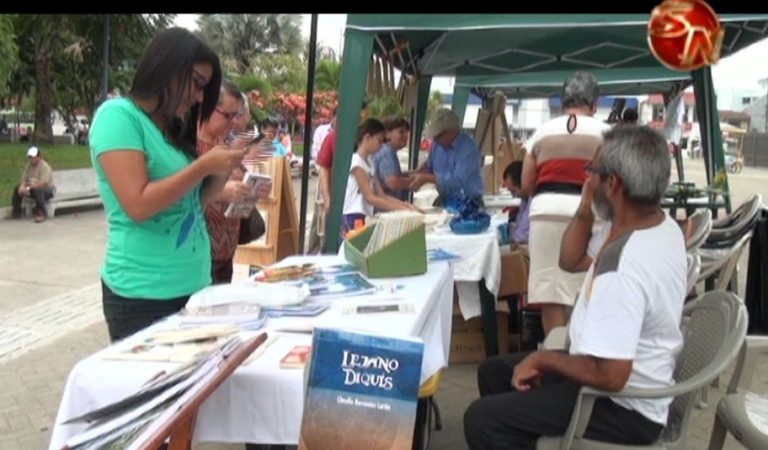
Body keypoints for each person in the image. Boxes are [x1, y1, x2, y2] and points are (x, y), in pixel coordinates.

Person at [464, 125, 687, 450]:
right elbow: (569, 260)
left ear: (613, 184)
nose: (586, 176)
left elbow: (611, 375)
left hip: (622, 406)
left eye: (592, 170)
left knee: (482, 420)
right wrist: (586, 205)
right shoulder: (652, 225)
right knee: (493, 372)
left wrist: (545, 361)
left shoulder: (622, 267)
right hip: (609, 369)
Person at [88, 27, 247, 342]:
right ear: (168, 68)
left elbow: (192, 205)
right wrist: (202, 166)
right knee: (155, 390)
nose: (199, 97)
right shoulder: (118, 117)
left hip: (195, 286)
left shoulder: (174, 126)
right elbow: (138, 204)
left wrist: (220, 171)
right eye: (197, 83)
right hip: (144, 295)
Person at [520, 71, 612, 335]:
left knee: (551, 287)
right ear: (594, 104)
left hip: (546, 212)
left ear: (562, 101)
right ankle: (585, 347)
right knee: (590, 281)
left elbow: (527, 184)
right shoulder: (607, 134)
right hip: (590, 212)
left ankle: (555, 351)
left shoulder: (540, 133)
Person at [197, 79, 271, 284]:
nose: (234, 123)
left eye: (237, 116)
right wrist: (223, 191)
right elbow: (185, 190)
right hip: (201, 254)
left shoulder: (227, 144)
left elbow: (240, 180)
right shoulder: (190, 147)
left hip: (227, 252)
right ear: (208, 108)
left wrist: (255, 189)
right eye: (229, 116)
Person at [341, 118, 418, 239]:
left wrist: (406, 206)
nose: (382, 146)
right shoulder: (356, 163)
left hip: (364, 214)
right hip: (352, 216)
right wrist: (403, 209)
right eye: (379, 141)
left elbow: (381, 195)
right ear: (367, 138)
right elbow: (370, 197)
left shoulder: (370, 162)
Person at [409, 108, 484, 205]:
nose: (435, 139)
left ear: (453, 131)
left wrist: (426, 178)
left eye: (438, 135)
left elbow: (458, 179)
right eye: (434, 136)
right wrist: (416, 174)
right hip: (445, 198)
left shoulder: (468, 148)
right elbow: (430, 169)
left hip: (468, 200)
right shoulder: (436, 144)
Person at [371, 116, 412, 207]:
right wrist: (412, 181)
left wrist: (416, 173)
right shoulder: (387, 152)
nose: (406, 136)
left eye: (407, 132)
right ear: (387, 134)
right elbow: (392, 182)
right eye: (401, 132)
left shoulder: (384, 150)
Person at [11, 146, 56, 222]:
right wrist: (22, 187)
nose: (31, 159)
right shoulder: (29, 166)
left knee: (39, 190)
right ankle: (16, 211)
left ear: (39, 157)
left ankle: (41, 213)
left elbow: (43, 183)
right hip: (33, 188)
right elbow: (24, 178)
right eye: (29, 157)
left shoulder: (45, 167)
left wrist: (28, 188)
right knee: (17, 188)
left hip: (48, 190)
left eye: (33, 157)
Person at [502, 161, 530, 245]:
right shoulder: (525, 199)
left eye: (513, 191)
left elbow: (521, 236)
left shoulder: (533, 201)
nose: (514, 196)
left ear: (523, 183)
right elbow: (520, 225)